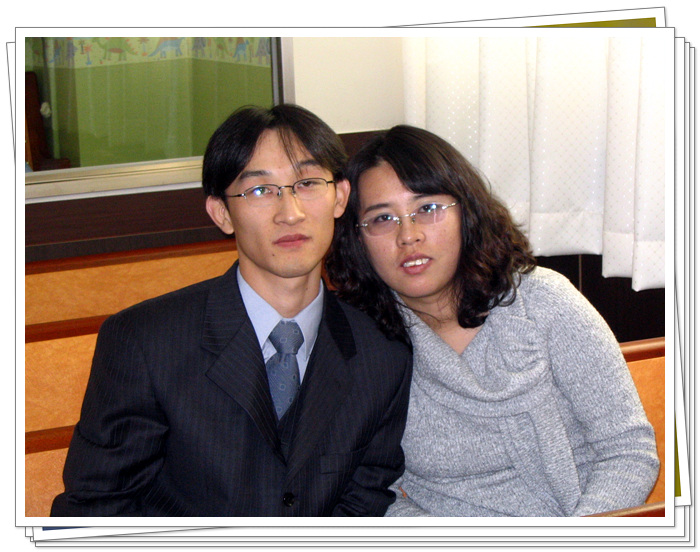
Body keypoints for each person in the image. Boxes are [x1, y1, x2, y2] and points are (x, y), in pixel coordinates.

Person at [51, 104, 412, 517]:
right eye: (260, 190)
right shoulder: (145, 343)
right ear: (222, 213)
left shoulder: (381, 354)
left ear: (340, 197)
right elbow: (96, 509)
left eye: (308, 183)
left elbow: (363, 503)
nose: (290, 213)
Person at [325, 124, 660, 517]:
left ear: (466, 212)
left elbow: (627, 449)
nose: (408, 236)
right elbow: (374, 493)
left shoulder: (543, 302)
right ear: (358, 238)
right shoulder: (358, 345)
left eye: (427, 209)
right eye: (383, 218)